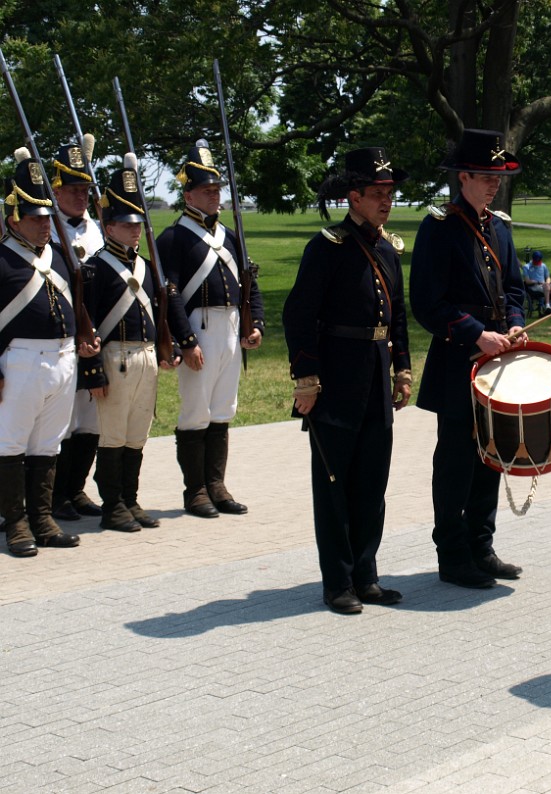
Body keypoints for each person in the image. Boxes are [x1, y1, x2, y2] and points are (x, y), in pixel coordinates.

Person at [283, 147, 413, 615]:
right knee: (335, 484)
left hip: (376, 376)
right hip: (337, 378)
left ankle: (366, 574)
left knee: (372, 483)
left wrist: (402, 368)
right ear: (353, 197)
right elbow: (298, 314)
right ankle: (337, 581)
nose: (386, 201)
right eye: (377, 193)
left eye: (390, 193)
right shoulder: (327, 247)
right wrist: (306, 378)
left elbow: (397, 317)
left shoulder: (386, 248)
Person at [410, 128, 527, 589]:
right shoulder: (438, 228)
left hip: (498, 359)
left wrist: (514, 322)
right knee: (457, 461)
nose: (495, 183)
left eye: (499, 176)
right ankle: (452, 553)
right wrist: (478, 335)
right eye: (486, 176)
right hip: (460, 358)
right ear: (464, 177)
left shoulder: (499, 225)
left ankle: (482, 545)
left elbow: (515, 288)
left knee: (491, 457)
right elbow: (427, 303)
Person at [156, 140, 265, 519]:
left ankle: (217, 485)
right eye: (207, 191)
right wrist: (186, 342)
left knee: (223, 410)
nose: (215, 197)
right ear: (188, 194)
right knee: (195, 413)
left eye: (217, 190)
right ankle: (196, 490)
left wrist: (258, 325)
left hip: (231, 327)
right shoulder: (174, 238)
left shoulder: (230, 236)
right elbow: (168, 294)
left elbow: (250, 284)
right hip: (198, 331)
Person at [0, 150, 89, 557]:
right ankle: (16, 524)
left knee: (48, 444)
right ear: (14, 216)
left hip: (62, 358)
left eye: (45, 217)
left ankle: (42, 518)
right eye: (35, 217)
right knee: (11, 444)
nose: (43, 224)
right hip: (19, 361)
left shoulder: (59, 256)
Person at [81, 163, 176, 532]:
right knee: (113, 435)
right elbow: (86, 326)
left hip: (146, 356)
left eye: (137, 225)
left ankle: (131, 499)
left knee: (137, 433)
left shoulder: (147, 267)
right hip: (113, 357)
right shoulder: (95, 269)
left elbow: (161, 312)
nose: (135, 231)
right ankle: (113, 505)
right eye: (126, 225)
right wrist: (92, 372)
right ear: (109, 228)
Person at [50, 143, 106, 523]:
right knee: (63, 422)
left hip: (99, 335)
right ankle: (54, 496)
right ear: (55, 193)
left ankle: (76, 488)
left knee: (91, 421)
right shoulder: (47, 228)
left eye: (85, 190)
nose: (81, 196)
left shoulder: (98, 228)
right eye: (72, 190)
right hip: (63, 336)